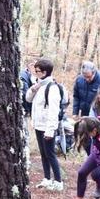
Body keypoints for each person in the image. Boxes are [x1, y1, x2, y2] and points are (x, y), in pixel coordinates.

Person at [26, 57, 64, 191]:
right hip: (38, 125)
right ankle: (47, 178)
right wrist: (33, 88)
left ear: (45, 72)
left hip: (47, 126)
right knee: (43, 154)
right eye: (35, 71)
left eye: (38, 71)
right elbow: (28, 99)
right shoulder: (38, 84)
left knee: (50, 154)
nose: (35, 73)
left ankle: (58, 181)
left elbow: (54, 111)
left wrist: (50, 130)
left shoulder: (52, 88)